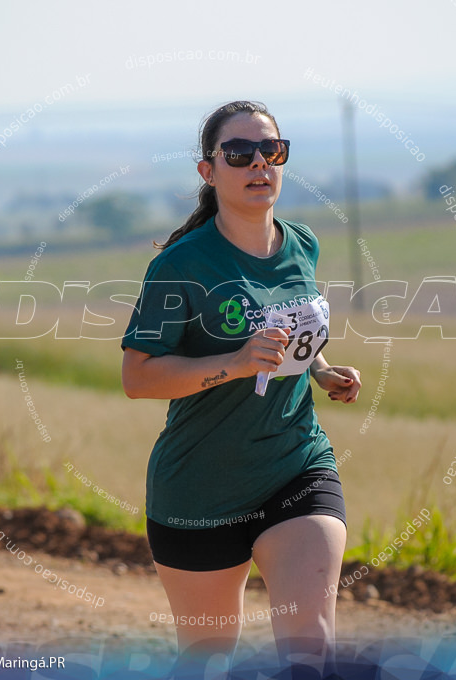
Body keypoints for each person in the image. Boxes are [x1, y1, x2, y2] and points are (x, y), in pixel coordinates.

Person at [121, 101, 361, 677]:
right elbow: (138, 377)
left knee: (309, 640)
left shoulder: (302, 244)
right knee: (207, 659)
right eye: (239, 153)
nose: (259, 164)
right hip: (199, 488)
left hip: (295, 463)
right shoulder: (180, 266)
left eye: (272, 151)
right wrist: (233, 362)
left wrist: (320, 368)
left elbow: (289, 328)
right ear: (209, 171)